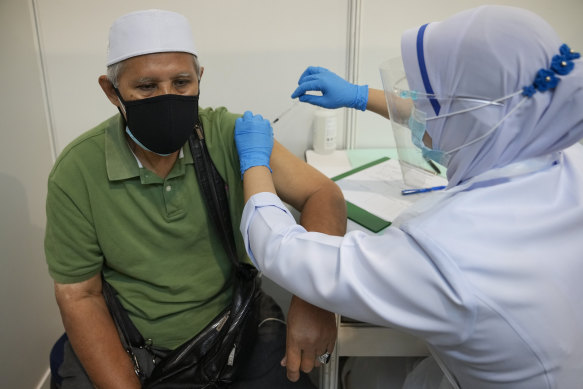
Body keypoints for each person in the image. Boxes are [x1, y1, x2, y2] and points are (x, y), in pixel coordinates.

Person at [234, 5, 583, 388]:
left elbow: (282, 250)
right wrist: (360, 96)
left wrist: (254, 160)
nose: (420, 107)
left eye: (430, 99)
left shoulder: (444, 254)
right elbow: (475, 115)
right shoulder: (568, 156)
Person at [44, 9, 347, 389]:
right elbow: (79, 294)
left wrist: (313, 299)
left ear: (200, 80)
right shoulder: (78, 171)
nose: (166, 99)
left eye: (182, 82)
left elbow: (324, 194)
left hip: (233, 329)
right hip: (133, 345)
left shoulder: (230, 135)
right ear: (111, 91)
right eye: (147, 87)